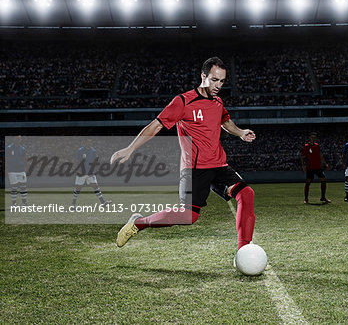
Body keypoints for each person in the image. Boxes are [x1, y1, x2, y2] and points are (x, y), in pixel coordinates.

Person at [111, 57, 256, 250]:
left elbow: (225, 121)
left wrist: (240, 132)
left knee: (246, 194)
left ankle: (243, 250)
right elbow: (155, 126)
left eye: (222, 81)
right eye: (214, 80)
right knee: (189, 216)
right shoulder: (183, 102)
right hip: (194, 169)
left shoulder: (218, 101)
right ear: (203, 76)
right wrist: (130, 149)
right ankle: (139, 223)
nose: (218, 85)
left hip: (219, 165)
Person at [71, 139, 111, 209]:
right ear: (85, 142)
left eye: (90, 141)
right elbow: (76, 160)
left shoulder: (93, 151)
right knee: (78, 188)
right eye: (87, 141)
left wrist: (94, 170)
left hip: (90, 173)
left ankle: (103, 202)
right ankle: (73, 204)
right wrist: (77, 170)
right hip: (81, 172)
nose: (89, 143)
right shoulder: (80, 150)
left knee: (95, 186)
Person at [300, 132, 331, 204]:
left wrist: (325, 164)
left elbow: (320, 155)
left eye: (314, 138)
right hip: (310, 167)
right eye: (312, 137)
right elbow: (302, 157)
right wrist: (303, 166)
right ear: (309, 138)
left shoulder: (317, 146)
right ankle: (306, 198)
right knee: (308, 182)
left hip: (318, 167)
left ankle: (323, 197)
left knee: (323, 180)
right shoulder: (306, 146)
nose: (313, 139)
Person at [6, 136, 28, 206]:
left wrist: (26, 169)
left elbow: (25, 159)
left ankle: (24, 202)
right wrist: (5, 170)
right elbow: (5, 159)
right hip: (12, 171)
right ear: (13, 139)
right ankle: (14, 203)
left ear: (20, 139)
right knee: (14, 187)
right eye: (16, 138)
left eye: (19, 139)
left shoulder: (23, 149)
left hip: (21, 170)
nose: (18, 140)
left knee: (23, 187)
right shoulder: (9, 148)